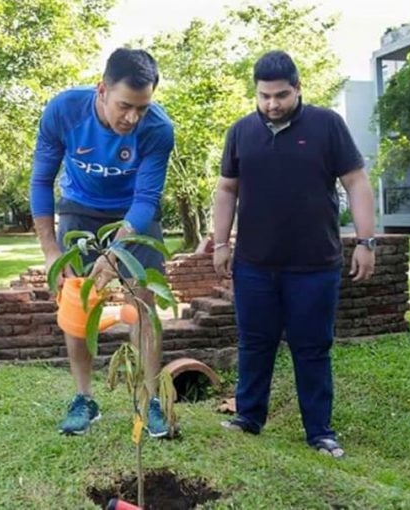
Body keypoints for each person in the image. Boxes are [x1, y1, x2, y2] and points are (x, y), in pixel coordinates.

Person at [212, 50, 376, 458]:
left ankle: (319, 432)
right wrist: (220, 243)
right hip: (254, 264)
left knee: (312, 348)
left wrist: (365, 241)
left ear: (298, 88)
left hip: (314, 265)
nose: (272, 104)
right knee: (254, 343)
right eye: (264, 96)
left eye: (281, 95)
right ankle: (248, 418)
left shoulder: (327, 125)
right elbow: (226, 189)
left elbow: (356, 181)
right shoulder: (241, 132)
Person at [30, 48, 175, 437]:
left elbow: (146, 200)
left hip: (134, 214)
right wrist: (50, 250)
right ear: (102, 90)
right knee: (77, 302)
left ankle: (150, 400)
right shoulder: (64, 111)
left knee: (142, 304)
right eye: (125, 106)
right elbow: (41, 181)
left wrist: (116, 252)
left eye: (142, 108)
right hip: (80, 208)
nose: (132, 118)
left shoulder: (159, 129)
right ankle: (84, 398)